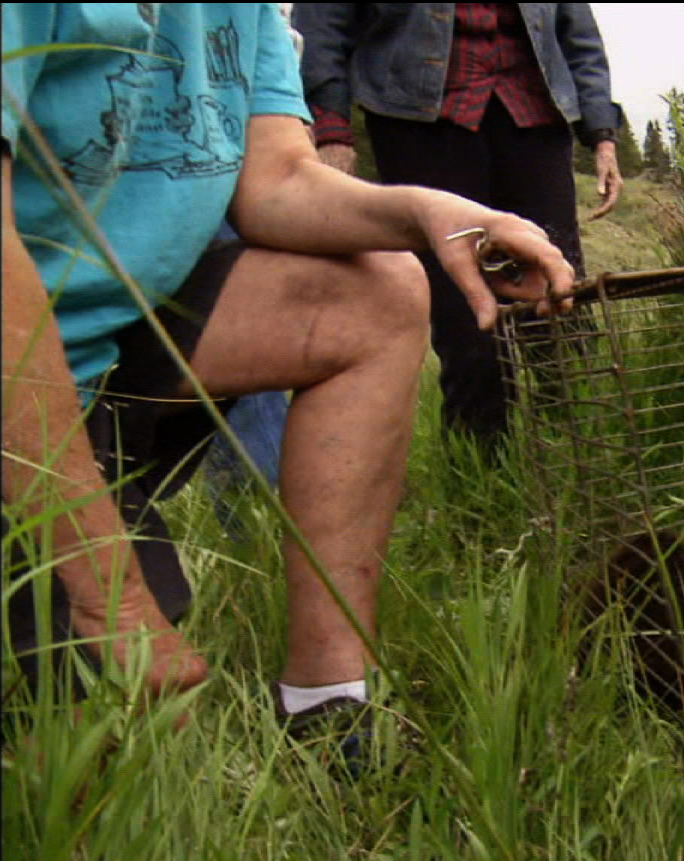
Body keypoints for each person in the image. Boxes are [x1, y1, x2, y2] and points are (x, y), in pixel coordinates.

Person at [2, 4, 575, 749]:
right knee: (77, 755)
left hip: (108, 331)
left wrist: (432, 213)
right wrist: (108, 596)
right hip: (23, 353)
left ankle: (330, 706)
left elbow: (275, 182)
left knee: (380, 292)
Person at [291, 3, 625, 453]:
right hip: (421, 125)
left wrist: (602, 134)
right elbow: (322, 23)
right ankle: (482, 478)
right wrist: (332, 130)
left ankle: (578, 462)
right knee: (464, 317)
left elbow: (578, 34)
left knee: (557, 295)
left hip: (533, 120)